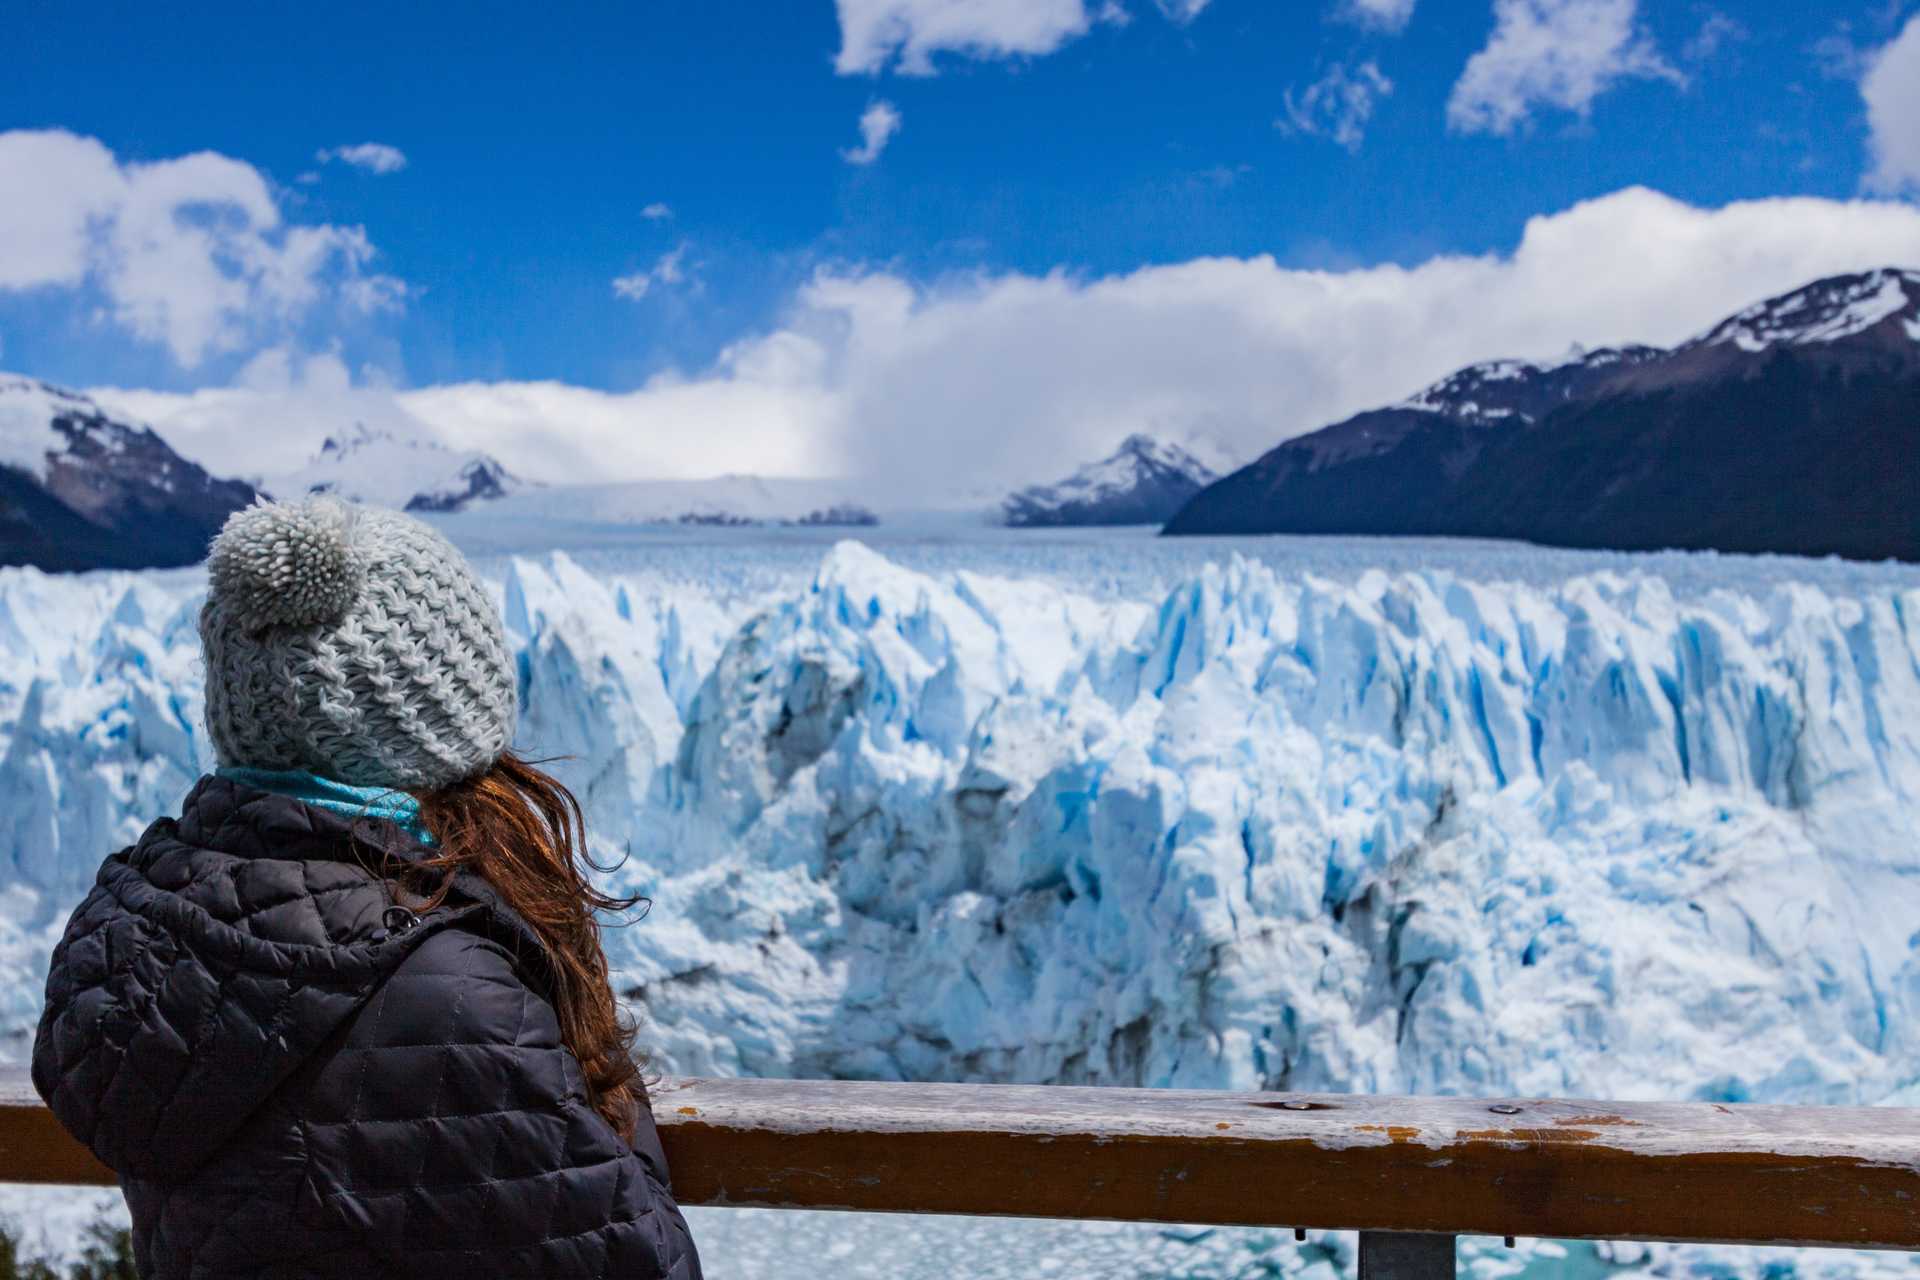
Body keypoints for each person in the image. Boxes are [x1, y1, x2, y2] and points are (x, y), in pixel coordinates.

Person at [31, 497, 704, 1279]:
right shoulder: (440, 994)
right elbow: (646, 1262)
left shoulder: (140, 936)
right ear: (438, 717)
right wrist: (607, 1089)